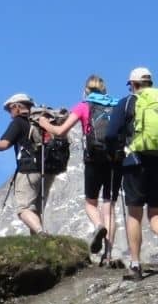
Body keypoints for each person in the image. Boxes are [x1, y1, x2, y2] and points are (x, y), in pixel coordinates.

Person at [40, 75, 122, 263]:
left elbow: (60, 132)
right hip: (115, 159)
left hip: (94, 158)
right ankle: (108, 256)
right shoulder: (118, 105)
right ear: (104, 89)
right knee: (109, 206)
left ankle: (98, 225)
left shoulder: (83, 106)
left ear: (86, 90)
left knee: (91, 203)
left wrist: (44, 124)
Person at [108, 67, 158, 281]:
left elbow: (112, 133)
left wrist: (116, 153)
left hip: (134, 162)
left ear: (133, 84)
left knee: (134, 213)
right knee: (156, 212)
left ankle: (136, 265)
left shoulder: (127, 103)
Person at [0, 93, 53, 235]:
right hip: (47, 169)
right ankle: (39, 246)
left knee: (23, 209)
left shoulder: (18, 122)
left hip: (28, 170)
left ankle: (40, 232)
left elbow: (4, 144)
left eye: (10, 109)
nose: (10, 113)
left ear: (17, 107)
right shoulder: (40, 121)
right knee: (36, 210)